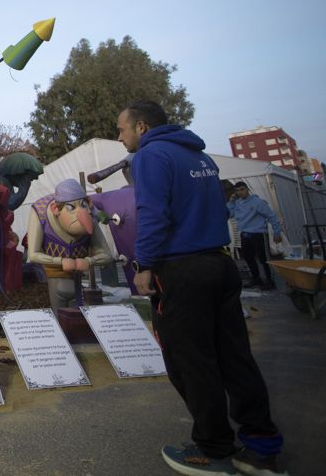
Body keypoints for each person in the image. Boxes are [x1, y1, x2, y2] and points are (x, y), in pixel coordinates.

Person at [117, 101, 286, 476]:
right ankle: (261, 447)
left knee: (190, 362)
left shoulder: (150, 155)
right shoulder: (201, 157)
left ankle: (213, 447)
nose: (120, 136)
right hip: (220, 265)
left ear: (142, 127)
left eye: (123, 129)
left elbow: (153, 214)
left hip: (181, 270)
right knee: (235, 357)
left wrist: (143, 265)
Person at [25, 179, 115, 311]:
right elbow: (33, 255)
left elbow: (107, 255)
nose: (81, 215)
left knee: (75, 313)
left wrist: (89, 260)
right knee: (60, 311)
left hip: (77, 279)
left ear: (89, 203)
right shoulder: (40, 212)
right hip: (55, 277)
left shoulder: (90, 216)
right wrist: (60, 261)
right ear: (56, 209)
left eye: (84, 205)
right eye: (71, 208)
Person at [227, 182, 283, 291]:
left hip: (258, 233)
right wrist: (231, 202)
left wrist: (277, 232)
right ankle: (256, 278)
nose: (240, 192)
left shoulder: (257, 202)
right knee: (248, 258)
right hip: (245, 234)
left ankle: (270, 281)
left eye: (242, 189)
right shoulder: (237, 203)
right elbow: (230, 214)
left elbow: (271, 216)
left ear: (247, 189)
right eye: (238, 191)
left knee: (263, 259)